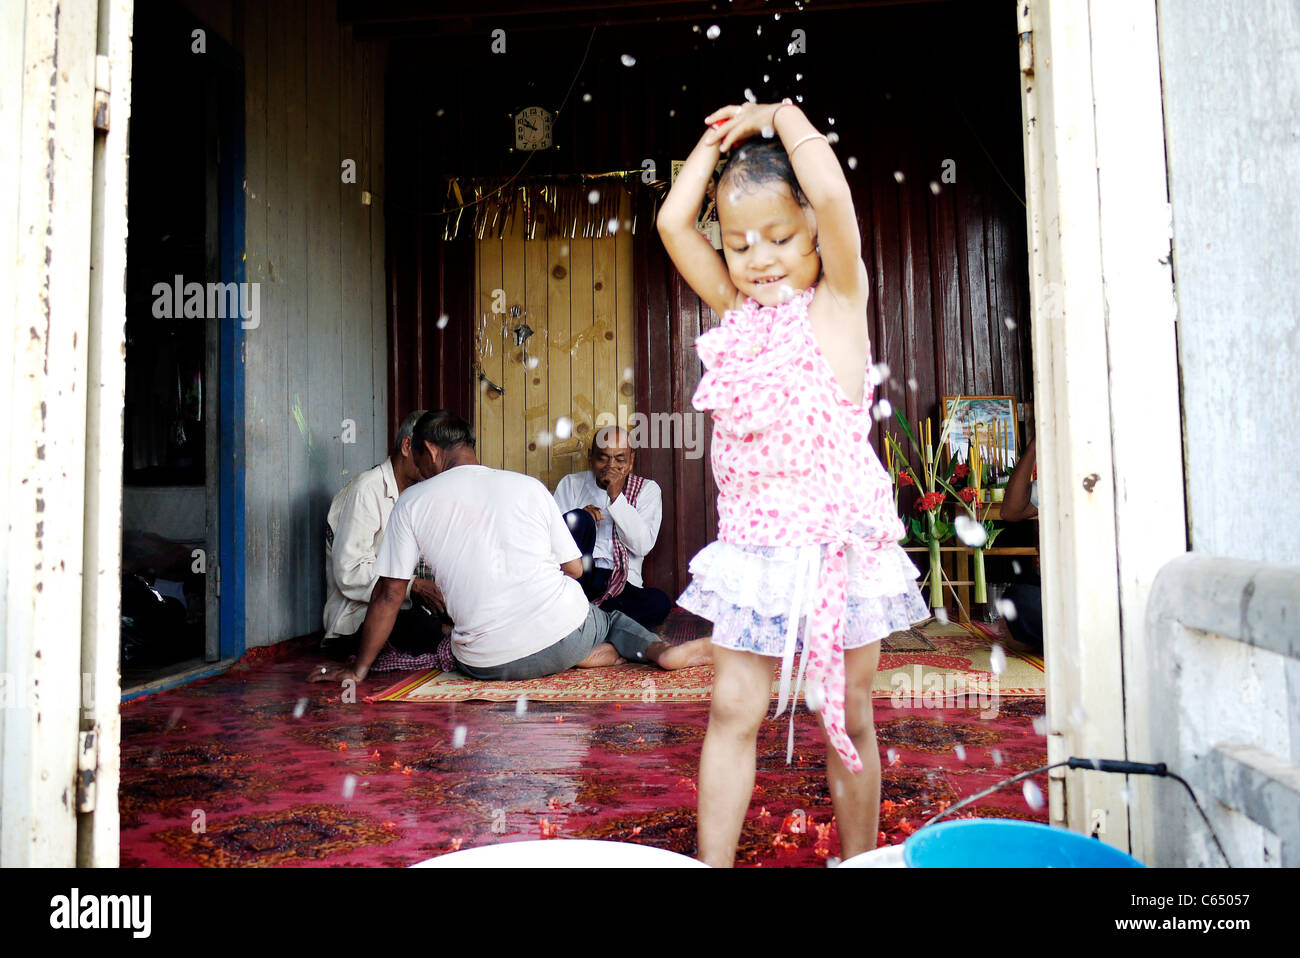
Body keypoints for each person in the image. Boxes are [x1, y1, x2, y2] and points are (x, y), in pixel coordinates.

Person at [658, 99, 930, 867]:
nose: (760, 257)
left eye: (780, 236)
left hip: (839, 552)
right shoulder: (735, 309)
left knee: (846, 712)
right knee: (732, 708)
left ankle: (859, 859)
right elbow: (674, 226)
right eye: (740, 243)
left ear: (812, 229)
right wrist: (716, 143)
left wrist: (780, 117)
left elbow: (837, 195)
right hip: (755, 549)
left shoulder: (840, 303)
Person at [308, 412, 710, 686]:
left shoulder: (412, 502)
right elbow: (573, 568)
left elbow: (389, 594)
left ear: (429, 451)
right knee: (609, 620)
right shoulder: (527, 486)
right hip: (563, 631)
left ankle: (574, 651)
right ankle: (655, 652)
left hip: (486, 662)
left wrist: (358, 670)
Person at [321, 409, 451, 665]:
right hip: (356, 618)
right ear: (407, 446)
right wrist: (412, 586)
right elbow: (349, 572)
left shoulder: (417, 495)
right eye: (430, 452)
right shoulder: (366, 490)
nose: (436, 463)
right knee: (422, 629)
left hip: (400, 605)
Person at [553, 426, 672, 630]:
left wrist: (617, 498)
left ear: (631, 460)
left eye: (620, 459)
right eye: (603, 458)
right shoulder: (572, 484)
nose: (611, 466)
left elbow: (642, 546)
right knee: (579, 519)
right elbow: (553, 543)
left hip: (623, 585)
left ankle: (590, 622)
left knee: (659, 603)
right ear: (590, 457)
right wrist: (583, 518)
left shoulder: (647, 490)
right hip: (581, 577)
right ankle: (608, 626)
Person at [996, 436, 1043, 651]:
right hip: (1056, 587)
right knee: (1016, 599)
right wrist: (1033, 447)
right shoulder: (1061, 476)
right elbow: (1010, 511)